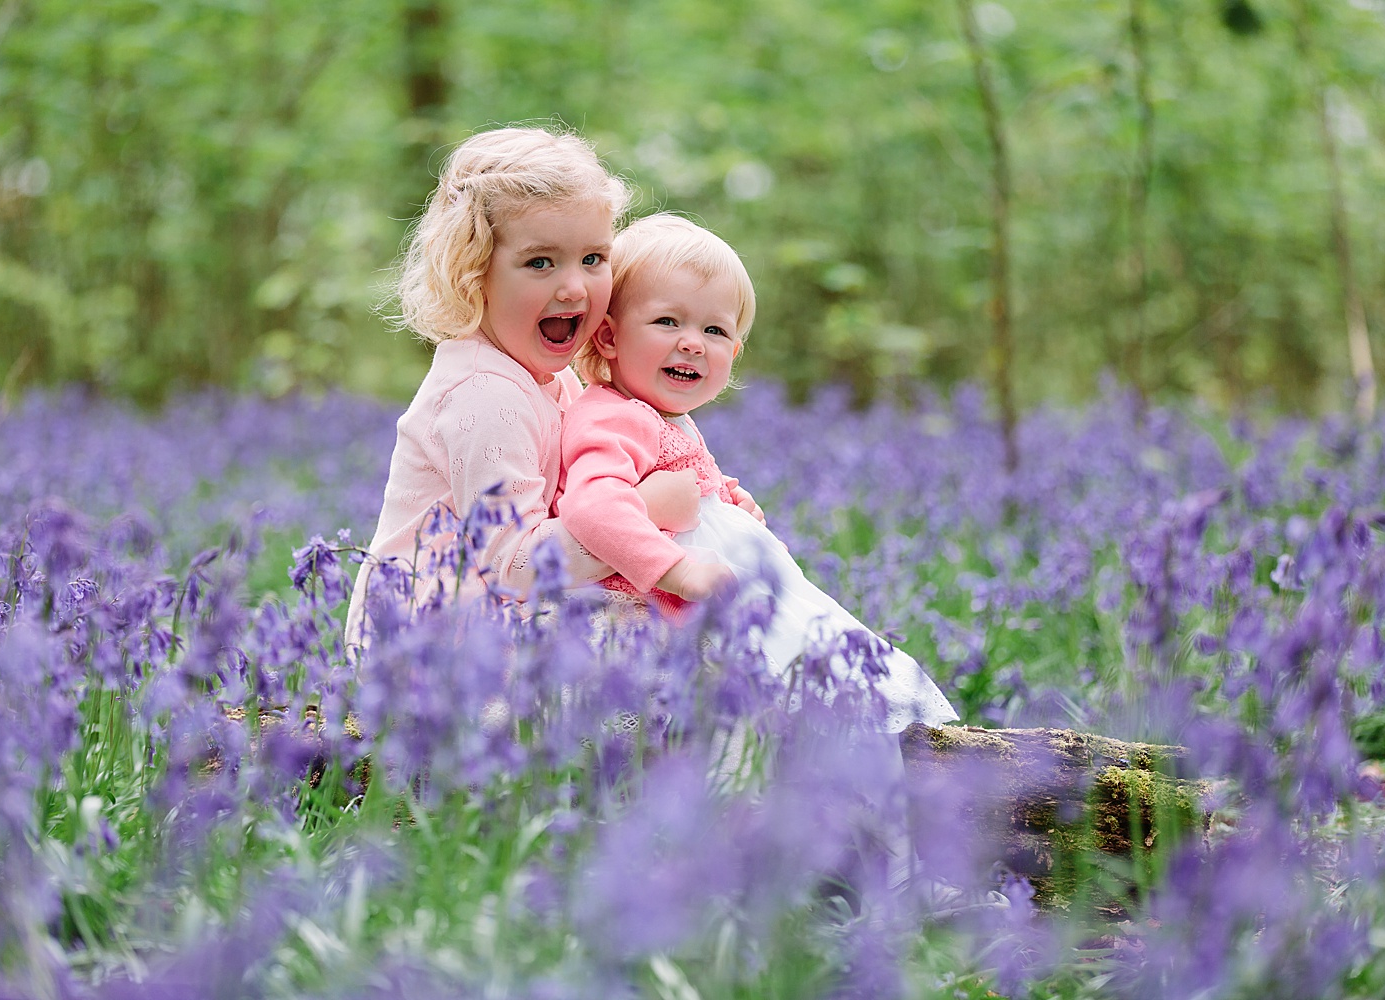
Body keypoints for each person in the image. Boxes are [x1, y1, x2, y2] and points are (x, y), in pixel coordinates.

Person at [556, 214, 957, 734]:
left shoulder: (661, 416)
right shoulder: (613, 415)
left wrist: (725, 499)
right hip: (654, 606)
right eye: (668, 322)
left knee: (806, 664)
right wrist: (673, 568)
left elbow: (683, 477)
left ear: (735, 353)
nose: (693, 343)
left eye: (715, 330)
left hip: (704, 599)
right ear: (608, 337)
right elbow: (593, 506)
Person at [345, 128, 698, 645]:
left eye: (594, 259)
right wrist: (644, 507)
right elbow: (514, 566)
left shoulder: (552, 381)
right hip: (426, 644)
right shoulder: (485, 394)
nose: (575, 286)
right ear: (473, 272)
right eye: (540, 262)